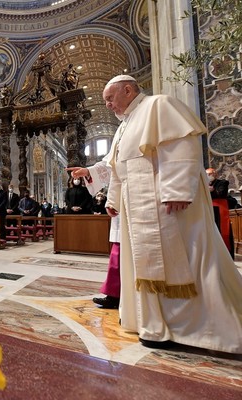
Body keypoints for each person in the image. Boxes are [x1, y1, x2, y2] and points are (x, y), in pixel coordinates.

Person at [102, 74, 242, 352]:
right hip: (136, 204)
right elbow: (119, 169)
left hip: (166, 202)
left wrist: (177, 189)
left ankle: (192, 325)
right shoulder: (124, 126)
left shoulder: (158, 106)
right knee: (141, 261)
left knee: (184, 258)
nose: (107, 105)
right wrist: (113, 197)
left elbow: (180, 146)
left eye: (110, 98)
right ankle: (149, 321)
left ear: (128, 90)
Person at [67, 161, 121, 310]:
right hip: (122, 198)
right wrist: (89, 171)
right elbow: (111, 164)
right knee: (118, 253)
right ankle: (114, 293)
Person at [206, 168, 234, 258]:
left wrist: (211, 190)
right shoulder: (204, 184)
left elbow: (221, 193)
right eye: (207, 174)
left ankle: (226, 255)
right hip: (208, 209)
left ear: (215, 174)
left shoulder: (222, 182)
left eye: (210, 174)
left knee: (222, 231)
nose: (209, 176)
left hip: (219, 210)